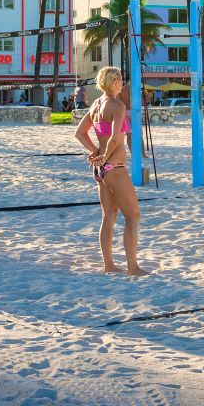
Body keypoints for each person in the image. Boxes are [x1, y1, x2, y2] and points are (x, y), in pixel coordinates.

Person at [74, 66, 146, 276]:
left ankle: (109, 265)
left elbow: (80, 133)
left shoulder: (96, 105)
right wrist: (104, 155)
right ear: (114, 82)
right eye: (121, 79)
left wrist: (96, 151)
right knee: (133, 216)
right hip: (114, 167)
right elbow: (115, 138)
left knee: (108, 217)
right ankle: (133, 267)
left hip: (100, 170)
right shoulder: (117, 106)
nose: (123, 82)